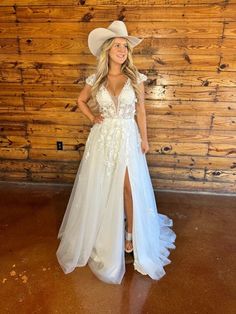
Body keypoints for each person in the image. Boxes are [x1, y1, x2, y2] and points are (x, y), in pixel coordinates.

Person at [56, 20, 176, 284]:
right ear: (108, 50)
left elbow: (141, 111)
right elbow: (80, 100)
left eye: (124, 46)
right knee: (101, 186)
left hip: (127, 137)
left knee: (128, 188)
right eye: (117, 45)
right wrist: (92, 118)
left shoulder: (135, 78)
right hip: (102, 140)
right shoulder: (96, 79)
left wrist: (145, 139)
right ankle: (101, 233)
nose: (122, 50)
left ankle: (131, 234)